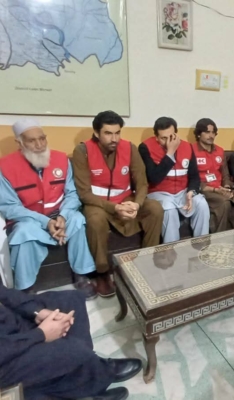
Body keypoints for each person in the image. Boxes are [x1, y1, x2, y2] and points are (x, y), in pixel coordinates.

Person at [0, 119, 96, 298]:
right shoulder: (5, 167)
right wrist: (45, 222)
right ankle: (26, 286)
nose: (39, 145)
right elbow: (10, 207)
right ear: (19, 143)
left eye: (42, 138)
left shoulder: (61, 159)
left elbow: (72, 194)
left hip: (60, 215)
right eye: (32, 140)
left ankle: (81, 274)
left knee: (77, 219)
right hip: (29, 220)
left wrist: (64, 216)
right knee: (23, 233)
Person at [72, 111, 164, 298]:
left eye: (117, 133)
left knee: (155, 208)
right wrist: (114, 208)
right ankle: (102, 273)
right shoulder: (82, 151)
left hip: (126, 199)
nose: (114, 138)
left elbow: (142, 183)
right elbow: (84, 193)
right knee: (95, 220)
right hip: (98, 204)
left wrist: (137, 205)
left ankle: (146, 262)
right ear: (96, 133)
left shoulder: (129, 148)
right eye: (108, 133)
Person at [0, 284, 141, 400]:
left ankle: (87, 370)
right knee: (72, 349)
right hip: (5, 358)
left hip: (8, 323)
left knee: (70, 300)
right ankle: (90, 378)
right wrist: (40, 335)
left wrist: (36, 312)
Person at [138, 117, 210, 243]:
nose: (168, 142)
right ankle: (171, 250)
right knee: (169, 209)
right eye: (163, 138)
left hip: (182, 192)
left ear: (176, 134)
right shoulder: (145, 147)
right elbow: (153, 178)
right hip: (159, 193)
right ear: (156, 137)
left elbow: (194, 176)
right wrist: (170, 153)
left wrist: (191, 191)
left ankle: (202, 246)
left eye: (171, 137)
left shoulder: (187, 147)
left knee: (202, 204)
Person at [192, 118, 234, 232]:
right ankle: (219, 238)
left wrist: (227, 187)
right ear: (199, 134)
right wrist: (216, 190)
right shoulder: (191, 151)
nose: (211, 135)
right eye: (207, 132)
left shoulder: (219, 151)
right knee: (224, 202)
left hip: (221, 188)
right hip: (204, 190)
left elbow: (225, 174)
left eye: (213, 132)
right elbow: (192, 179)